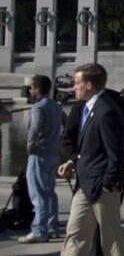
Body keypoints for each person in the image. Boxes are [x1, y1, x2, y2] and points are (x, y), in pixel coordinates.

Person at [59, 63, 124, 256]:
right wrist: (73, 162)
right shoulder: (86, 108)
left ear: (89, 85)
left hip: (102, 187)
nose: (73, 88)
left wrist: (108, 184)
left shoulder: (106, 111)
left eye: (76, 83)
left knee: (111, 239)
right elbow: (89, 148)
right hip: (84, 184)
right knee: (75, 234)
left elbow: (117, 153)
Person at [18, 74, 63, 243]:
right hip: (53, 153)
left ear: (37, 88)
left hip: (39, 153)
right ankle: (53, 227)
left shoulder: (38, 107)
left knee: (38, 193)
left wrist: (30, 146)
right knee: (49, 191)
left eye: (31, 88)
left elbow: (34, 128)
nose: (30, 91)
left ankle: (39, 229)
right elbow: (64, 126)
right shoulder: (56, 106)